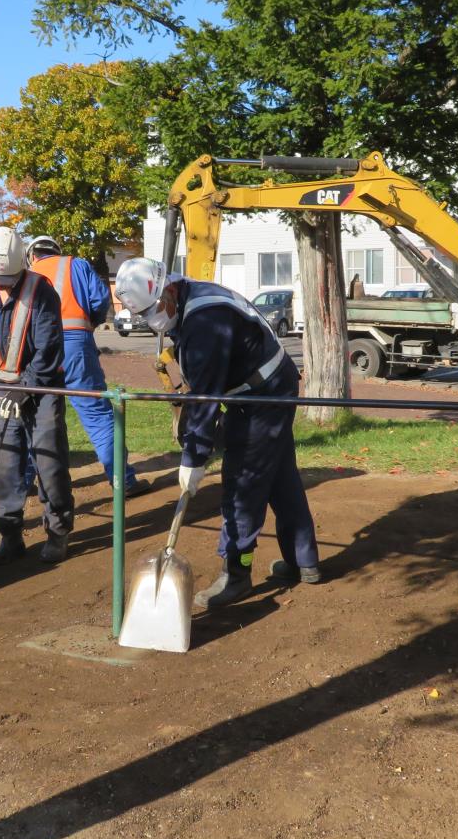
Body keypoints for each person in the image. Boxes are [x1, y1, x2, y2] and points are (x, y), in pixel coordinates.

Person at [114, 257, 320, 607]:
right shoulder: (187, 298)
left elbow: (205, 399)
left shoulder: (205, 321)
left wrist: (193, 458)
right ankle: (305, 561)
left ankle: (236, 575)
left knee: (243, 480)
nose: (153, 321)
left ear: (167, 290)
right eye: (145, 315)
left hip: (262, 395)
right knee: (279, 476)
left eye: (152, 311)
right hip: (266, 385)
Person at [0, 227, 75, 564]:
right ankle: (9, 536)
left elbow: (50, 345)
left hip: (41, 387)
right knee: (3, 465)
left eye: (8, 280)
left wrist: (27, 385)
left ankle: (58, 532)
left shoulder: (42, 292)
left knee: (49, 462)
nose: (2, 285)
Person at [27, 235, 150, 496]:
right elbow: (99, 300)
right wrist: (89, 325)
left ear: (33, 255)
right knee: (97, 416)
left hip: (37, 352)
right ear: (56, 250)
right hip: (76, 346)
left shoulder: (26, 273)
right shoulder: (77, 265)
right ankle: (123, 481)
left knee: (33, 415)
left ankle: (24, 482)